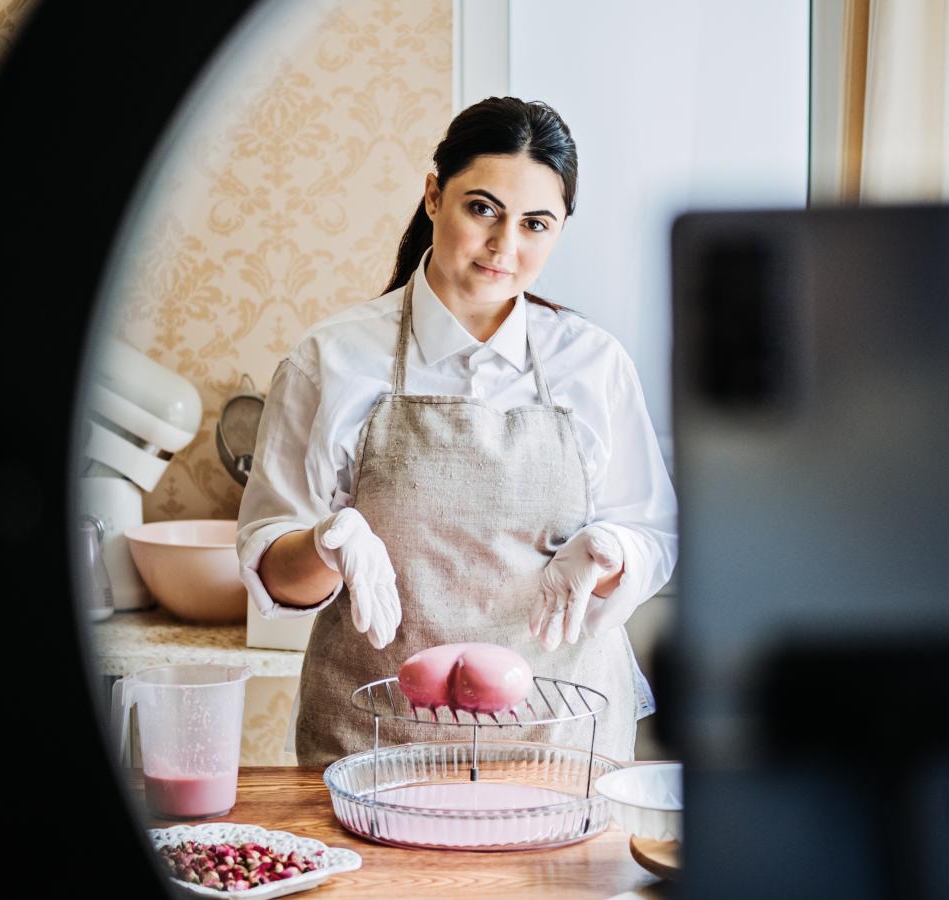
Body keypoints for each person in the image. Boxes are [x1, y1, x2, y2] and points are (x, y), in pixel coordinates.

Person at [236, 97, 678, 766]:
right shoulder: (331, 360)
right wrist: (330, 542)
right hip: (375, 747)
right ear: (434, 195)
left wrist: (611, 552)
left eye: (536, 224)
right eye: (482, 209)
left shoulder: (594, 363)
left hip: (560, 749)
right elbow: (273, 571)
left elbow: (654, 534)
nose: (506, 246)